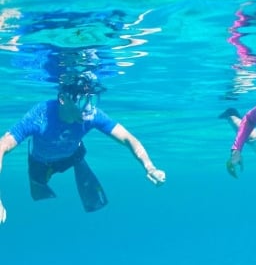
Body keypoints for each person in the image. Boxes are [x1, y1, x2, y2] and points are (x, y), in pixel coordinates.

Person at [0, 71, 166, 224]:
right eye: (82, 101)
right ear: (63, 99)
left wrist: (149, 166)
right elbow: (2, 145)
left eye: (92, 99)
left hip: (73, 155)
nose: (89, 108)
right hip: (41, 161)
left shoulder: (92, 115)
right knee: (38, 191)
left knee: (78, 160)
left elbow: (128, 138)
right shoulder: (41, 115)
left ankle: (79, 166)